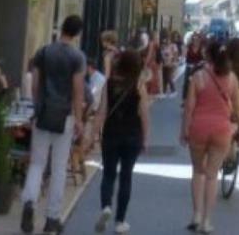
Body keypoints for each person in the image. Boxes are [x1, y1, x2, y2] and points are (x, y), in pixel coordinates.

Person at [21, 14, 86, 235]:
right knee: (59, 167)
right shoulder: (77, 57)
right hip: (65, 115)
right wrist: (78, 118)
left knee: (37, 163)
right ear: (77, 34)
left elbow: (36, 83)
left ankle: (29, 203)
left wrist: (38, 106)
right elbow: (77, 90)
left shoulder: (44, 52)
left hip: (44, 113)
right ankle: (52, 218)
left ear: (61, 29)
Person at [180, 41, 238, 234]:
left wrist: (184, 130)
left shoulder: (198, 77)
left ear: (208, 56)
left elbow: (189, 107)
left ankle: (196, 214)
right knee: (212, 176)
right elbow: (237, 109)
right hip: (222, 130)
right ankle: (207, 221)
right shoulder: (232, 78)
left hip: (199, 127)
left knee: (198, 172)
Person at [93, 48, 150, 234]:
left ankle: (106, 206)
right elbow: (144, 115)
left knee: (108, 173)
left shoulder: (109, 84)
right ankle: (120, 221)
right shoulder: (139, 86)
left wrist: (93, 134)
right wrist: (145, 138)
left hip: (111, 134)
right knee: (126, 176)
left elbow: (101, 112)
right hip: (132, 136)